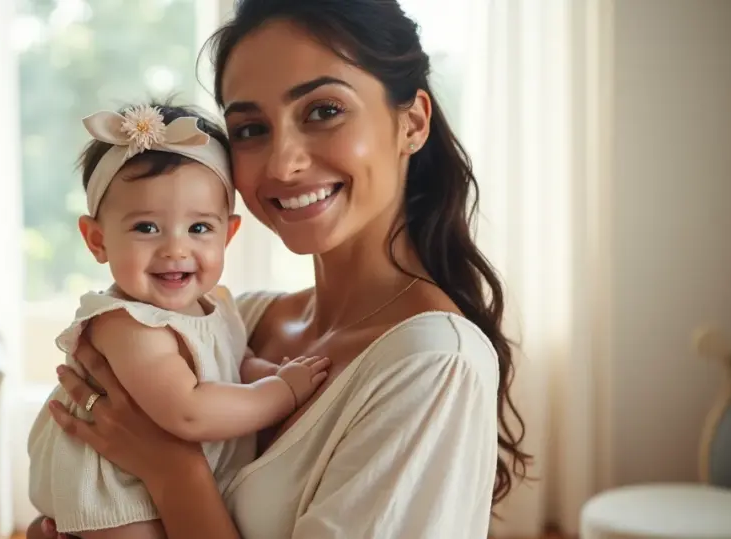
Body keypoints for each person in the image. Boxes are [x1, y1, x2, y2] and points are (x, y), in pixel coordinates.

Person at [29, 0, 531, 536]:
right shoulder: (240, 319)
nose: (282, 163)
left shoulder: (433, 364)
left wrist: (171, 468)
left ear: (411, 122)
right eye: (249, 129)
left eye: (323, 111)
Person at [26, 102, 331, 539]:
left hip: (153, 486)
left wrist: (267, 371)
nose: (175, 249)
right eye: (147, 228)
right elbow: (188, 413)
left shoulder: (218, 305)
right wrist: (281, 392)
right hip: (115, 500)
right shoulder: (126, 324)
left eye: (199, 228)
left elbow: (231, 362)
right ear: (97, 240)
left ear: (228, 234)